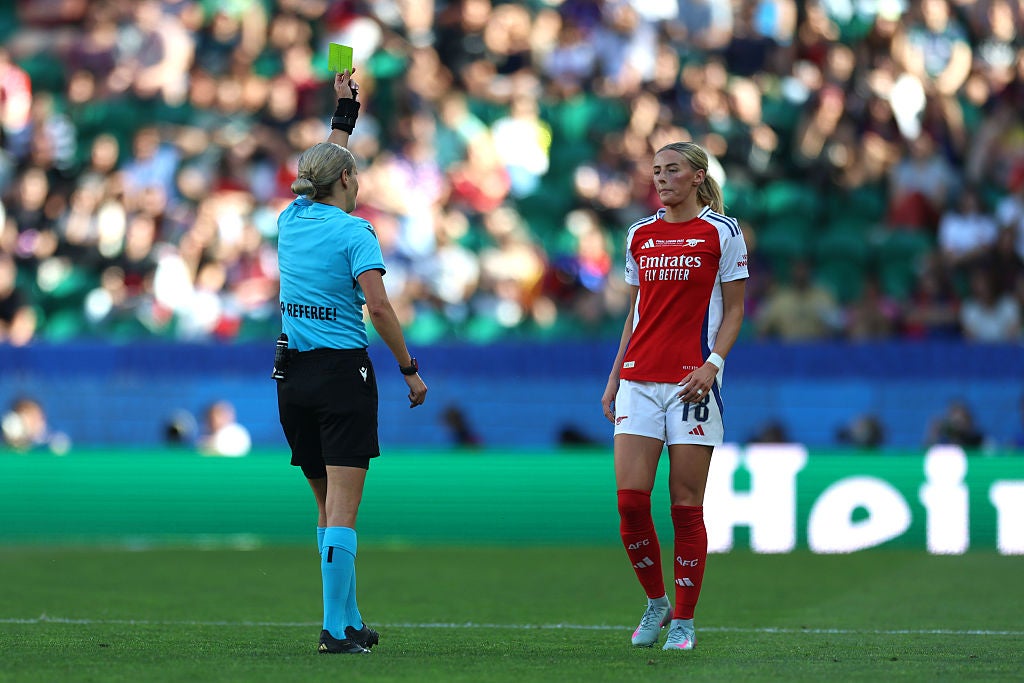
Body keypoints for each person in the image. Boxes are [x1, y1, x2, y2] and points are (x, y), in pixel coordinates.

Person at [274, 69, 428, 656]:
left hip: (292, 377)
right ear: (345, 180)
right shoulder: (356, 232)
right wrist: (408, 367)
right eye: (355, 173)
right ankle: (335, 630)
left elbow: (322, 165)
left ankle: (350, 618)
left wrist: (344, 116)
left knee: (324, 505)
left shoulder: (289, 221)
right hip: (343, 374)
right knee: (344, 508)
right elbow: (381, 309)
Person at [601, 141, 748, 652]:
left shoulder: (722, 232)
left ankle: (684, 620)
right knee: (629, 502)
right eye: (656, 170)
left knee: (686, 507)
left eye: (672, 170)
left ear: (697, 175)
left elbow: (733, 311)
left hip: (693, 382)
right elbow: (637, 312)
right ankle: (656, 601)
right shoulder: (639, 234)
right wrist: (615, 376)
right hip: (639, 380)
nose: (661, 178)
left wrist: (714, 365)